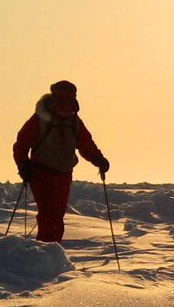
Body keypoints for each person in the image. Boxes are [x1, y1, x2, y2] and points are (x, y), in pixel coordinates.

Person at [13, 80, 109, 244]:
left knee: (56, 215)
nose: (66, 107)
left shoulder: (74, 122)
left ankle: (51, 250)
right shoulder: (40, 120)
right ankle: (47, 250)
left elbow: (85, 144)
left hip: (63, 175)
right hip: (40, 173)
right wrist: (23, 166)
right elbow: (21, 145)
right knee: (49, 215)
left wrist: (98, 159)